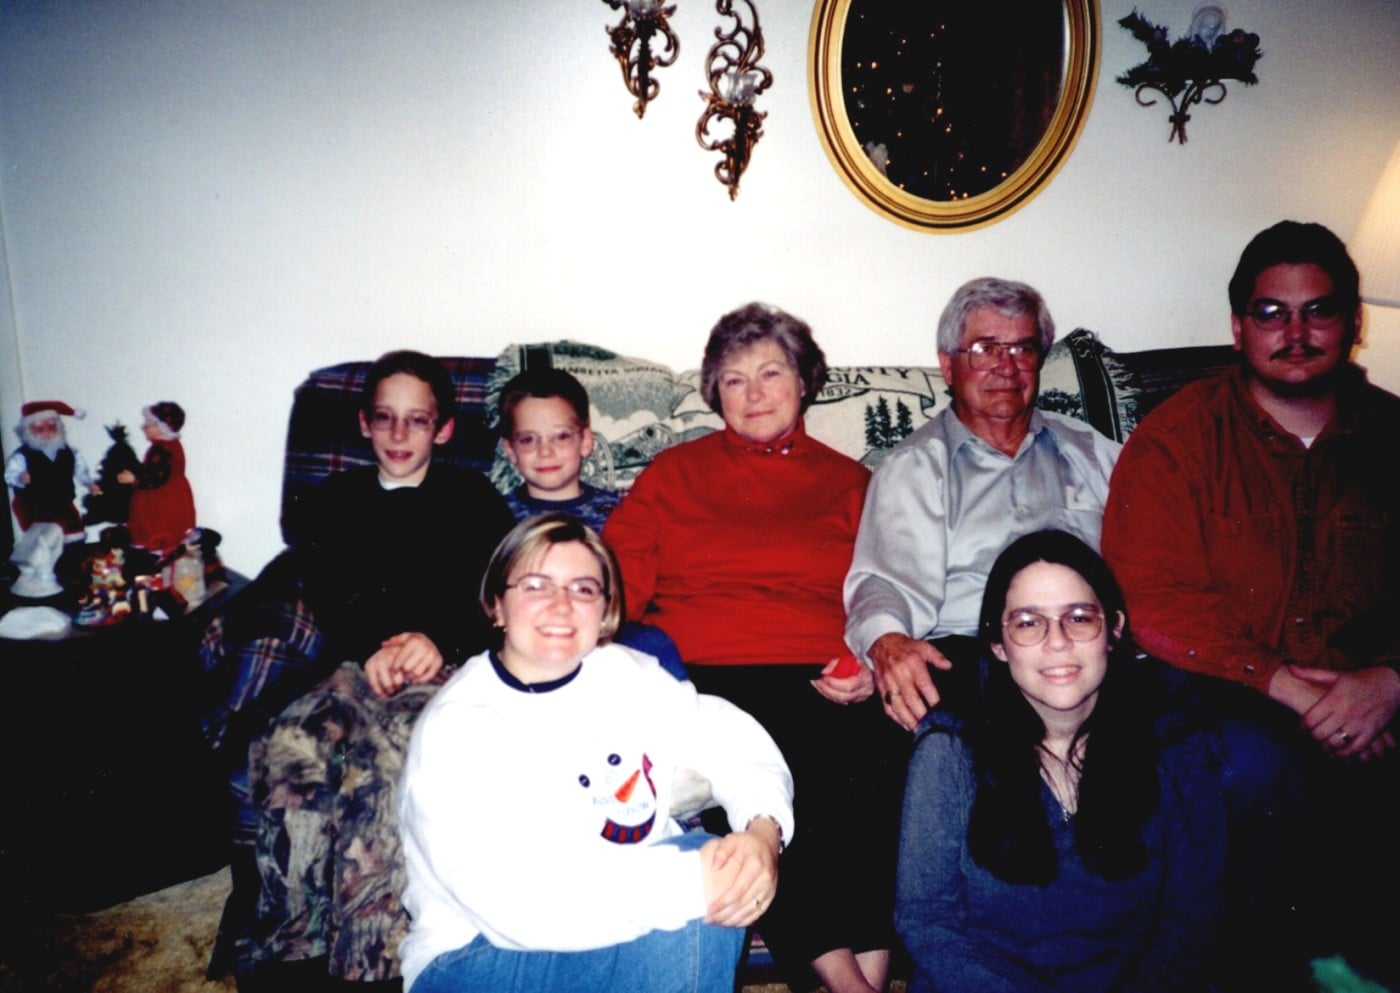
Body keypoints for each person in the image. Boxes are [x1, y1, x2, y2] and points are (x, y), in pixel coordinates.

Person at [1101, 220, 1400, 986]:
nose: (1295, 334)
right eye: (1271, 313)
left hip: (1379, 690)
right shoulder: (1177, 439)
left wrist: (1389, 680)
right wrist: (1290, 687)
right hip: (1223, 691)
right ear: (1238, 328)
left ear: (1353, 322)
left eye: (1318, 311)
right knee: (1249, 765)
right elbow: (1151, 599)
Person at [604, 302, 901, 993]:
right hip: (710, 673)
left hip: (826, 672)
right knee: (774, 769)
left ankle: (866, 977)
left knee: (879, 760)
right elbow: (614, 589)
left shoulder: (853, 484)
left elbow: (886, 588)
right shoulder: (671, 476)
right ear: (716, 395)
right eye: (734, 380)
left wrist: (869, 657)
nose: (755, 393)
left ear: (804, 382)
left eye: (771, 373)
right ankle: (848, 985)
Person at [397, 513, 793, 993]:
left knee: (716, 872)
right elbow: (514, 907)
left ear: (605, 611)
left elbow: (731, 737)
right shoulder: (459, 724)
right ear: (497, 605)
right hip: (475, 958)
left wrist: (762, 832)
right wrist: (694, 881)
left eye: (583, 589)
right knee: (703, 878)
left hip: (614, 929)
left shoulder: (627, 675)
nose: (561, 605)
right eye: (537, 586)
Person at [235, 350, 516, 989]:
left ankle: (372, 963)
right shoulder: (332, 500)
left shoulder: (473, 499)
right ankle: (292, 944)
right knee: (289, 741)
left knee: (385, 765)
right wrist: (369, 649)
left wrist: (440, 641)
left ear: (443, 429)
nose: (398, 433)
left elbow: (499, 592)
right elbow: (323, 589)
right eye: (385, 417)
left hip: (440, 673)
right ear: (364, 423)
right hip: (353, 670)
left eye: (417, 420)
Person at [896, 530, 1227, 993]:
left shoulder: (1176, 745)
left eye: (1079, 618)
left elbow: (1192, 917)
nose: (1057, 642)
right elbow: (927, 919)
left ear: (1113, 630)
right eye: (1028, 623)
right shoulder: (949, 751)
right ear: (997, 643)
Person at [844, 277, 1121, 733]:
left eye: (1022, 349)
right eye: (984, 349)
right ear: (948, 366)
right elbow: (884, 582)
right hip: (972, 659)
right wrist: (887, 641)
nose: (1006, 368)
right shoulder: (913, 468)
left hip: (1087, 652)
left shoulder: (1093, 452)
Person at [497, 366, 620, 531]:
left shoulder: (621, 515)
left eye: (561, 437)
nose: (545, 452)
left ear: (585, 441)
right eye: (527, 440)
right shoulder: (496, 517)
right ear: (510, 450)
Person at [5, 399, 98, 540]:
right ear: (28, 431)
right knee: (45, 540)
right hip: (35, 506)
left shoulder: (68, 452)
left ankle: (74, 549)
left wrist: (89, 484)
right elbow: (10, 474)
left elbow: (81, 470)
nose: (46, 433)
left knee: (74, 532)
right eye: (39, 429)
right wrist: (20, 477)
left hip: (63, 503)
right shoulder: (22, 456)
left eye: (51, 427)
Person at [118, 401, 197, 554]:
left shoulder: (163, 448)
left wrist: (134, 479)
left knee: (159, 530)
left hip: (161, 500)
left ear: (162, 427)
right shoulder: (169, 445)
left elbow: (157, 476)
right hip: (172, 494)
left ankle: (158, 556)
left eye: (149, 423)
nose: (143, 427)